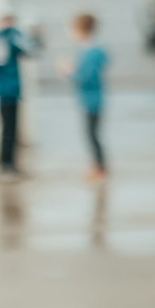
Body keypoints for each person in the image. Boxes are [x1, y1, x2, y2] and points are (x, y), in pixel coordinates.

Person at [0, 13, 38, 179]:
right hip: (3, 91)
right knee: (6, 129)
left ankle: (11, 164)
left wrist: (35, 35)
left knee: (14, 130)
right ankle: (5, 164)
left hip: (14, 91)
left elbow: (30, 50)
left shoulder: (15, 37)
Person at [66, 12, 110, 181]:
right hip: (91, 99)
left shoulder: (91, 52)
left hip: (93, 100)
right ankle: (97, 166)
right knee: (92, 134)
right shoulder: (89, 50)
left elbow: (86, 77)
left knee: (92, 135)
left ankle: (99, 167)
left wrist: (70, 72)